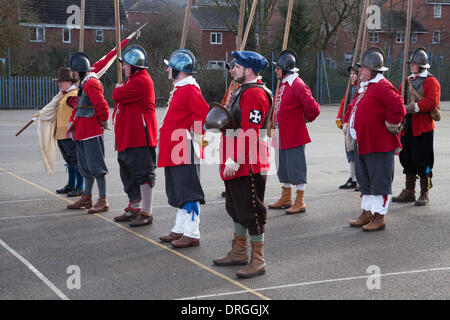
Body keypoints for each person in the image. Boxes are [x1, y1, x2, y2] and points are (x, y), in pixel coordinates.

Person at [212, 50, 272, 279]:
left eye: (235, 66)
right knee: (236, 209)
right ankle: (238, 251)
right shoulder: (243, 91)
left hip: (248, 164)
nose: (231, 69)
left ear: (248, 70)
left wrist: (235, 159)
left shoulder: (254, 94)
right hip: (239, 161)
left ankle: (258, 260)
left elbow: (250, 133)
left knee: (252, 212)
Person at [346, 47, 406, 231]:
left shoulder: (382, 86)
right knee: (365, 180)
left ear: (371, 70)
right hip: (363, 142)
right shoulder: (366, 86)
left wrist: (390, 124)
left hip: (378, 144)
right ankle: (367, 212)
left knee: (379, 181)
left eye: (362, 69)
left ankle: (379, 217)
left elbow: (398, 107)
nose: (359, 72)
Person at [158, 49, 209, 248]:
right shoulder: (180, 87)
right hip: (176, 148)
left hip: (183, 147)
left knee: (188, 190)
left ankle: (192, 232)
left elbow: (204, 116)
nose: (167, 70)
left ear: (178, 69)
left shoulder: (189, 89)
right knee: (178, 189)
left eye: (169, 67)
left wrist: (196, 139)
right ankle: (180, 229)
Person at [268, 50, 320, 214]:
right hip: (280, 132)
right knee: (283, 166)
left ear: (284, 69)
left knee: (296, 166)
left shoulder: (297, 84)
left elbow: (313, 109)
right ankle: (286, 196)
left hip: (294, 134)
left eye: (278, 68)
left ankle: (300, 200)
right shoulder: (283, 84)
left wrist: (302, 120)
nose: (275, 70)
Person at [112, 45, 158, 227]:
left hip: (140, 137)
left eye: (125, 65)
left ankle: (146, 211)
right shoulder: (132, 80)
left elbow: (117, 94)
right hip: (127, 137)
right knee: (128, 172)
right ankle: (135, 206)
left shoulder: (141, 81)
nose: (123, 68)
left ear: (133, 66)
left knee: (143, 173)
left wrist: (118, 89)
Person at [392, 47, 441, 206]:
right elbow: (399, 98)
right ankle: (409, 191)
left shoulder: (431, 81)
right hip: (408, 126)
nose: (411, 66)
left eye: (414, 64)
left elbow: (432, 102)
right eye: (411, 64)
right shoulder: (407, 81)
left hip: (423, 128)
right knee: (407, 159)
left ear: (421, 65)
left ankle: (425, 192)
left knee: (424, 163)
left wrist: (412, 108)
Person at [66, 52, 110, 214]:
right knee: (85, 167)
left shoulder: (91, 83)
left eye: (75, 72)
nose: (73, 75)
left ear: (80, 71)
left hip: (91, 131)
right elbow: (79, 108)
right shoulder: (83, 84)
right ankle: (87, 197)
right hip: (83, 131)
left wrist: (103, 122)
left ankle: (102, 199)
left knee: (97, 167)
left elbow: (102, 105)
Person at [37, 67, 84, 197]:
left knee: (75, 160)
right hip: (61, 133)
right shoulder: (62, 96)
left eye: (63, 81)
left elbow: (78, 112)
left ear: (70, 82)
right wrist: (42, 114)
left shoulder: (73, 95)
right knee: (69, 161)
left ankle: (80, 186)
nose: (60, 84)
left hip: (70, 134)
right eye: (59, 81)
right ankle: (71, 184)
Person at [336, 65, 359, 191]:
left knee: (358, 153)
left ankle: (360, 179)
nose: (352, 76)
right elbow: (344, 103)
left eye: (354, 73)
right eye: (351, 73)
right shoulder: (350, 87)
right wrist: (340, 118)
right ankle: (353, 178)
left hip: (356, 124)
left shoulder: (361, 88)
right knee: (350, 153)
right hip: (348, 124)